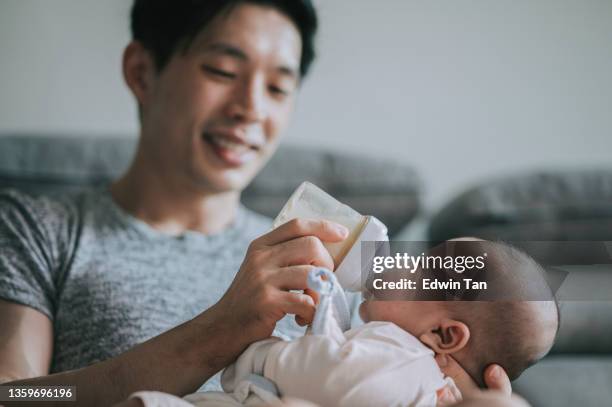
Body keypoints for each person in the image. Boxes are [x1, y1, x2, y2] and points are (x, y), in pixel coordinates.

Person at [0, 1, 512, 407]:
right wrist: (218, 330)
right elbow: (17, 396)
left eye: (277, 86)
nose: (251, 108)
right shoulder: (38, 230)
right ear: (141, 71)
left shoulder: (331, 254)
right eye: (223, 70)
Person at [122, 241, 557, 406]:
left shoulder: (405, 358)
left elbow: (331, 379)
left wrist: (263, 355)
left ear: (443, 335)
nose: (395, 265)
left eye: (420, 266)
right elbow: (48, 391)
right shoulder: (403, 357)